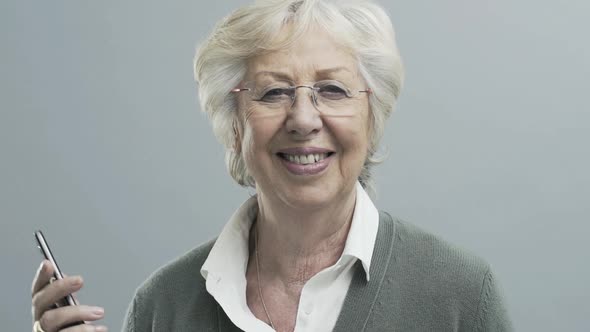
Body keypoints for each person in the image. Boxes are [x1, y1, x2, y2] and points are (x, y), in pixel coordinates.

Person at [31, 0, 513, 331]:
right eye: (273, 92)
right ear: (235, 124)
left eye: (333, 90)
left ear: (373, 116)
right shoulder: (162, 308)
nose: (304, 119)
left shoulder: (459, 297)